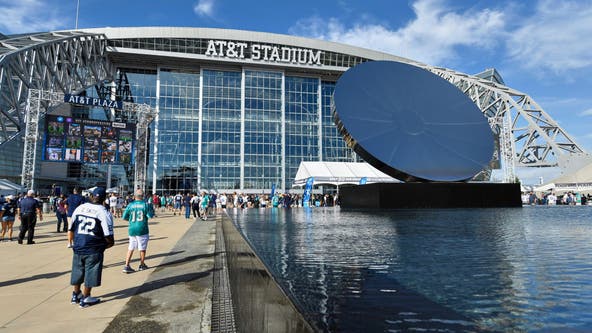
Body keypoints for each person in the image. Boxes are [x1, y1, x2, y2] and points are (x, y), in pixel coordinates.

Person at [68, 187, 114, 308]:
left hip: (78, 244)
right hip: (93, 246)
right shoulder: (103, 212)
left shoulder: (80, 208)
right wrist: (107, 245)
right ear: (104, 199)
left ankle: (75, 294)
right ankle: (86, 296)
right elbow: (108, 235)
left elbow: (71, 228)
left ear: (92, 196)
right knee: (91, 271)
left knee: (78, 269)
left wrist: (72, 242)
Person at [121, 189, 153, 273]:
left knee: (131, 247)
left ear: (134, 196)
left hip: (132, 228)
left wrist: (131, 220)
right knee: (142, 248)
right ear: (143, 196)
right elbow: (150, 216)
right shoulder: (145, 204)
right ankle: (142, 264)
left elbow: (124, 217)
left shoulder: (130, 205)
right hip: (142, 228)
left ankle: (126, 265)